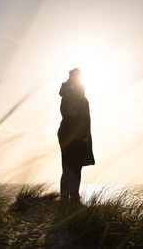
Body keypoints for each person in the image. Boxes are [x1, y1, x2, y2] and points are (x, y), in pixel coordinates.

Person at [58, 68, 95, 204]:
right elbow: (78, 117)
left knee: (68, 167)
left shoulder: (69, 94)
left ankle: (66, 198)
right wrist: (83, 135)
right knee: (73, 167)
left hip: (67, 134)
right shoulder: (75, 95)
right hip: (75, 136)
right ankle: (72, 198)